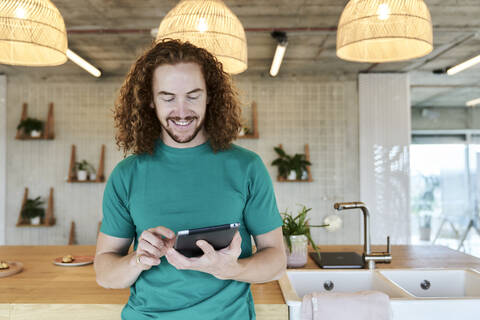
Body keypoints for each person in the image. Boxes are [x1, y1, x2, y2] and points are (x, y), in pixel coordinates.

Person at [94, 39, 286, 320]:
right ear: (150, 99)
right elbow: (104, 272)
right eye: (168, 97)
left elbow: (276, 259)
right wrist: (138, 259)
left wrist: (233, 270)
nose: (182, 111)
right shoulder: (126, 175)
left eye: (193, 96)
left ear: (210, 96)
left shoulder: (247, 168)